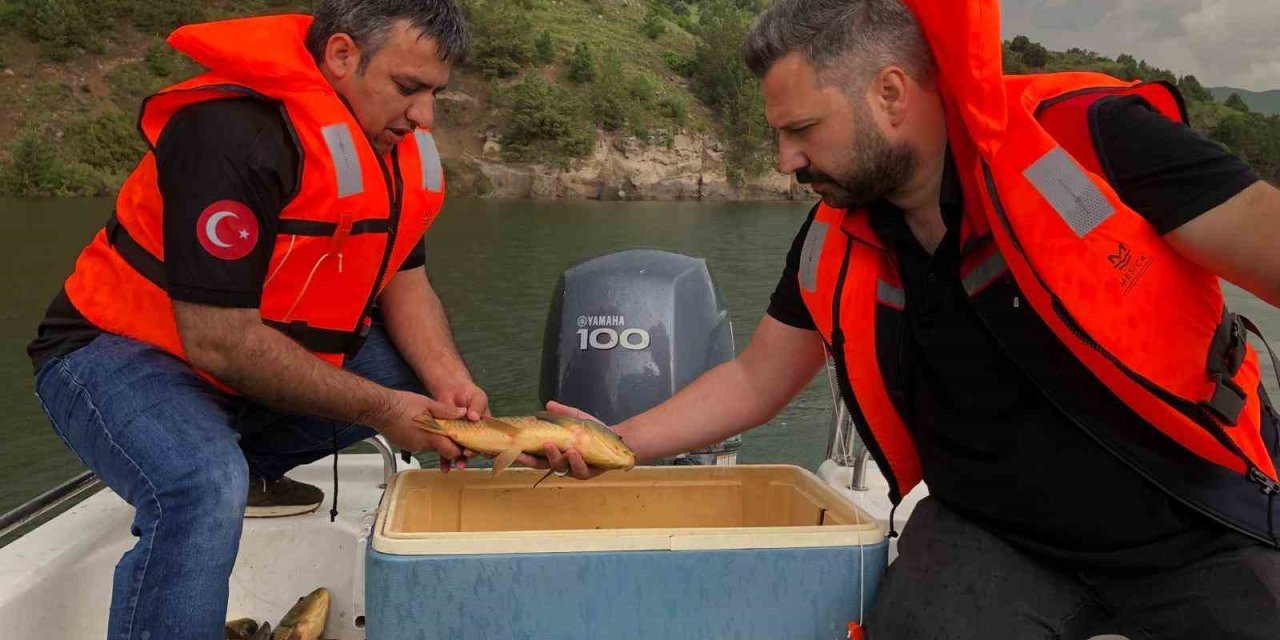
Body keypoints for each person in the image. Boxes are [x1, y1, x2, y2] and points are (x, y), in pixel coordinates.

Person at [541, 0, 1280, 637]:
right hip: (995, 537)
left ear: (891, 94)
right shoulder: (836, 232)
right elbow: (754, 378)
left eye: (801, 128)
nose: (783, 159)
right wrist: (613, 440)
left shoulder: (1099, 141)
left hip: (1191, 524)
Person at [28, 1, 487, 637]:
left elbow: (405, 281)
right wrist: (386, 412)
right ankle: (205, 465)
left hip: (242, 362)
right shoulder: (229, 134)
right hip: (118, 350)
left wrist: (450, 385)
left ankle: (234, 455)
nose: (423, 117)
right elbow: (220, 341)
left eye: (436, 94)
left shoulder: (391, 147)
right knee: (202, 485)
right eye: (407, 89)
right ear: (343, 54)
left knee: (417, 377)